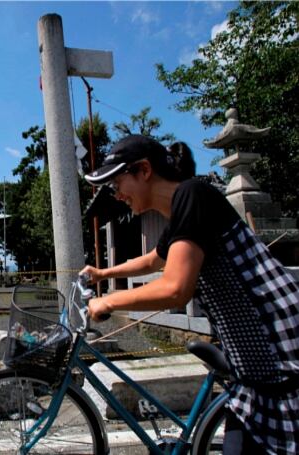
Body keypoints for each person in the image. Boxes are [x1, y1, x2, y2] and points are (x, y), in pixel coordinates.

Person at [80, 134, 299, 455]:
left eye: (117, 184)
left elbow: (175, 288)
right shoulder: (183, 209)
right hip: (257, 377)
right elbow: (155, 258)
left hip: (281, 363)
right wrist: (104, 273)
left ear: (143, 170)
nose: (117, 195)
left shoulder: (193, 195)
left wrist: (108, 300)